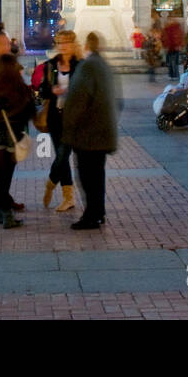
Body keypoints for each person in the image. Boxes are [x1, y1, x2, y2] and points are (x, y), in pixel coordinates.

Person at [61, 32, 120, 230]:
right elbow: (118, 102)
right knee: (97, 175)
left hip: (88, 134)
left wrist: (68, 126)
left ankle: (91, 215)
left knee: (87, 176)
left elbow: (77, 99)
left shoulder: (87, 67)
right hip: (103, 132)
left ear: (85, 45)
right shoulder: (104, 66)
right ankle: (98, 212)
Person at [0, 53, 36, 228]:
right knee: (5, 177)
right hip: (15, 134)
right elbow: (31, 111)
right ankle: (7, 216)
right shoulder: (21, 88)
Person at [37, 29, 78, 211]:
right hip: (54, 117)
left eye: (67, 42)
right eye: (61, 42)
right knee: (61, 157)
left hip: (73, 118)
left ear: (73, 44)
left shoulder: (80, 65)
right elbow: (42, 90)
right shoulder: (51, 65)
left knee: (63, 155)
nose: (64, 46)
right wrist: (51, 91)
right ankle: (68, 197)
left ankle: (50, 183)